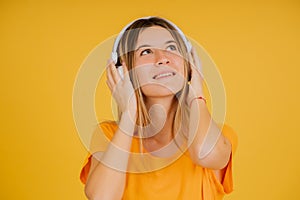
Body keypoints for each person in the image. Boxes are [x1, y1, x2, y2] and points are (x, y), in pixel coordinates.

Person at [80, 16, 238, 200]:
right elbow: (102, 197)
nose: (163, 59)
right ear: (124, 72)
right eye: (146, 51)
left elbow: (205, 154)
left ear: (189, 64)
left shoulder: (218, 135)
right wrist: (129, 114)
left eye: (171, 48)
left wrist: (195, 92)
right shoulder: (108, 136)